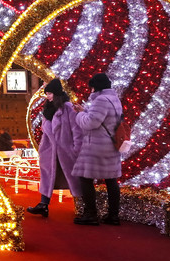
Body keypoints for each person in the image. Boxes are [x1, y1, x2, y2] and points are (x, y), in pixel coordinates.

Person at [72, 73, 122, 226]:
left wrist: (80, 115)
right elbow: (103, 119)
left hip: (97, 146)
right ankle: (113, 215)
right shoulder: (114, 99)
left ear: (96, 87)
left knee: (85, 178)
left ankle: (91, 214)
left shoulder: (100, 100)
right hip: (111, 146)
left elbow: (90, 123)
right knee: (111, 180)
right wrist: (86, 110)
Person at [27, 79, 81, 218]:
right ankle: (43, 204)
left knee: (74, 177)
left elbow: (76, 130)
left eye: (50, 93)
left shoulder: (68, 108)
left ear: (57, 93)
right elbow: (46, 131)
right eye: (47, 93)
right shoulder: (48, 110)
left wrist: (76, 149)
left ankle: (82, 206)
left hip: (65, 149)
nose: (48, 96)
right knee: (47, 175)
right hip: (49, 149)